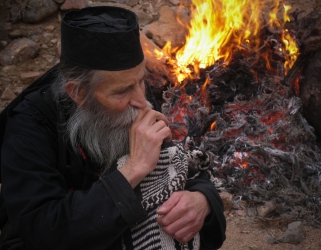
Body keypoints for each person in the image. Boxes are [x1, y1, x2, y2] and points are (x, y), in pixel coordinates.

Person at [0, 6, 226, 250]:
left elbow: (180, 169)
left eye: (141, 81)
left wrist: (203, 201)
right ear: (78, 92)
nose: (143, 100)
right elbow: (43, 230)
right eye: (122, 91)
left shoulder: (135, 97)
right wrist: (133, 169)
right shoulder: (28, 126)